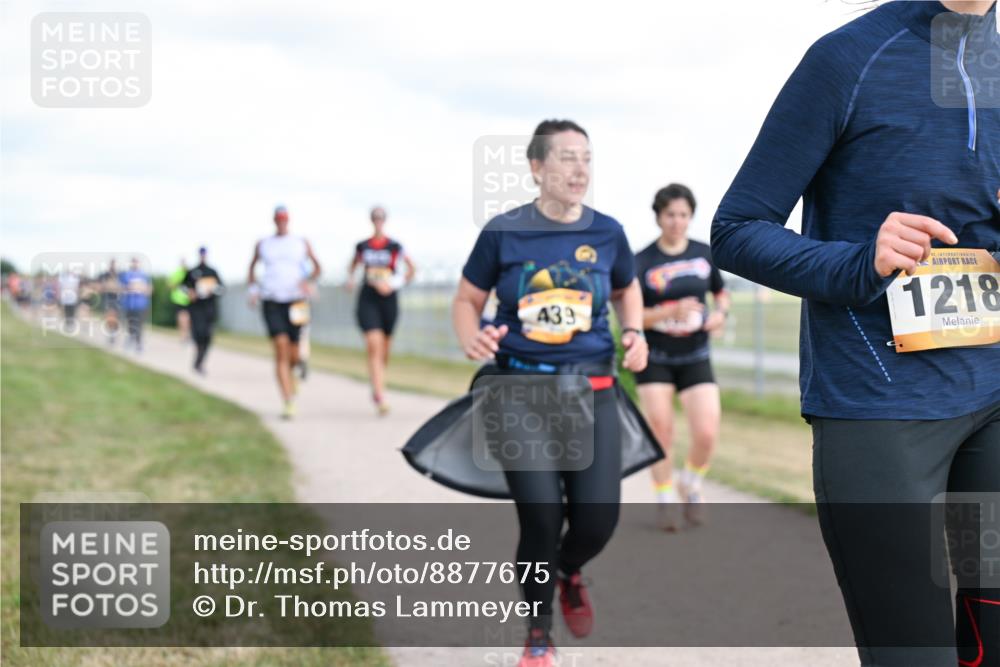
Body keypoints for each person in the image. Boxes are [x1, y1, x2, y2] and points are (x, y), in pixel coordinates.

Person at [710, 2, 999, 665]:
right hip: (879, 408)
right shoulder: (848, 58)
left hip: (993, 397)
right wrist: (860, 258)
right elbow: (737, 228)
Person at [402, 120, 662, 667]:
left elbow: (626, 288)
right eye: (567, 158)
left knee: (597, 520)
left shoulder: (608, 232)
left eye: (586, 158)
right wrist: (470, 335)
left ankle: (569, 570)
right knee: (541, 517)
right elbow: (466, 299)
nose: (580, 169)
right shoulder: (503, 232)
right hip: (519, 393)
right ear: (537, 167)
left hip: (591, 392)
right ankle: (538, 633)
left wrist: (634, 332)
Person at [635, 184, 730, 531]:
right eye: (670, 214)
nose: (677, 221)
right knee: (661, 431)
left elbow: (721, 294)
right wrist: (669, 311)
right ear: (659, 217)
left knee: (706, 431)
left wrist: (720, 314)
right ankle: (664, 500)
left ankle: (690, 483)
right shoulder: (642, 261)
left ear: (691, 216)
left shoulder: (705, 254)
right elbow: (632, 317)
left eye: (683, 215)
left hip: (695, 354)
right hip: (656, 357)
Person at [247, 204, 322, 419]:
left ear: (288, 220)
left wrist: (308, 281)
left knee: (295, 353)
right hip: (271, 299)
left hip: (296, 301)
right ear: (274, 220)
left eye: (284, 218)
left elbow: (317, 267)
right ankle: (288, 400)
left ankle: (294, 374)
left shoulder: (300, 243)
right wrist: (253, 290)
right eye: (278, 218)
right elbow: (252, 269)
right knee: (280, 347)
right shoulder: (264, 244)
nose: (281, 222)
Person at [346, 206, 416, 415]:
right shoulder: (362, 246)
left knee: (384, 349)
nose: (378, 221)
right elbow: (353, 266)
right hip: (368, 298)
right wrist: (350, 279)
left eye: (381, 218)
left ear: (385, 220)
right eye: (375, 218)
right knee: (373, 345)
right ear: (371, 220)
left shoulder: (394, 246)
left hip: (389, 299)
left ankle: (378, 382)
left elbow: (411, 269)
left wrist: (394, 283)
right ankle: (379, 395)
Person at [183, 247, 224, 374]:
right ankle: (198, 361)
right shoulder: (192, 271)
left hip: (209, 308)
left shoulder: (212, 272)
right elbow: (183, 286)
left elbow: (222, 289)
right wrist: (189, 292)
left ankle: (200, 362)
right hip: (196, 309)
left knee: (207, 336)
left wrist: (213, 290)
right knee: (198, 334)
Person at [119, 258, 151, 353]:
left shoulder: (144, 275)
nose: (135, 264)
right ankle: (131, 339)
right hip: (129, 304)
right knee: (131, 324)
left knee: (139, 325)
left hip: (141, 304)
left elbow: (149, 289)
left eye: (136, 262)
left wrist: (142, 288)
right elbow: (122, 288)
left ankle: (138, 343)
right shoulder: (126, 275)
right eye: (133, 262)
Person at [97, 260, 121, 346]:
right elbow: (99, 287)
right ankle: (111, 334)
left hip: (117, 300)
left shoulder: (119, 275)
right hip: (107, 299)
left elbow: (121, 288)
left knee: (115, 319)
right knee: (109, 318)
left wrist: (112, 287)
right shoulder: (104, 275)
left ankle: (113, 335)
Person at [168, 259, 191, 342]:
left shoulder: (189, 273)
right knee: (182, 319)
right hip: (178, 300)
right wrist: (178, 283)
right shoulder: (176, 273)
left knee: (187, 319)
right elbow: (170, 285)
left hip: (188, 300)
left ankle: (186, 334)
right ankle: (182, 336)